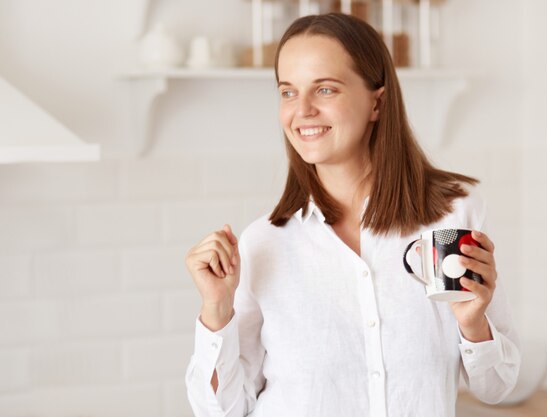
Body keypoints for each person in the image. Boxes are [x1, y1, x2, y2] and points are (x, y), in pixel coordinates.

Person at [185, 12, 520, 417]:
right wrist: (216, 310)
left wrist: (473, 324)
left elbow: (497, 387)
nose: (302, 110)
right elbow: (221, 410)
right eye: (288, 92)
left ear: (376, 102)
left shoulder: (450, 220)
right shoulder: (264, 243)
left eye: (325, 89)